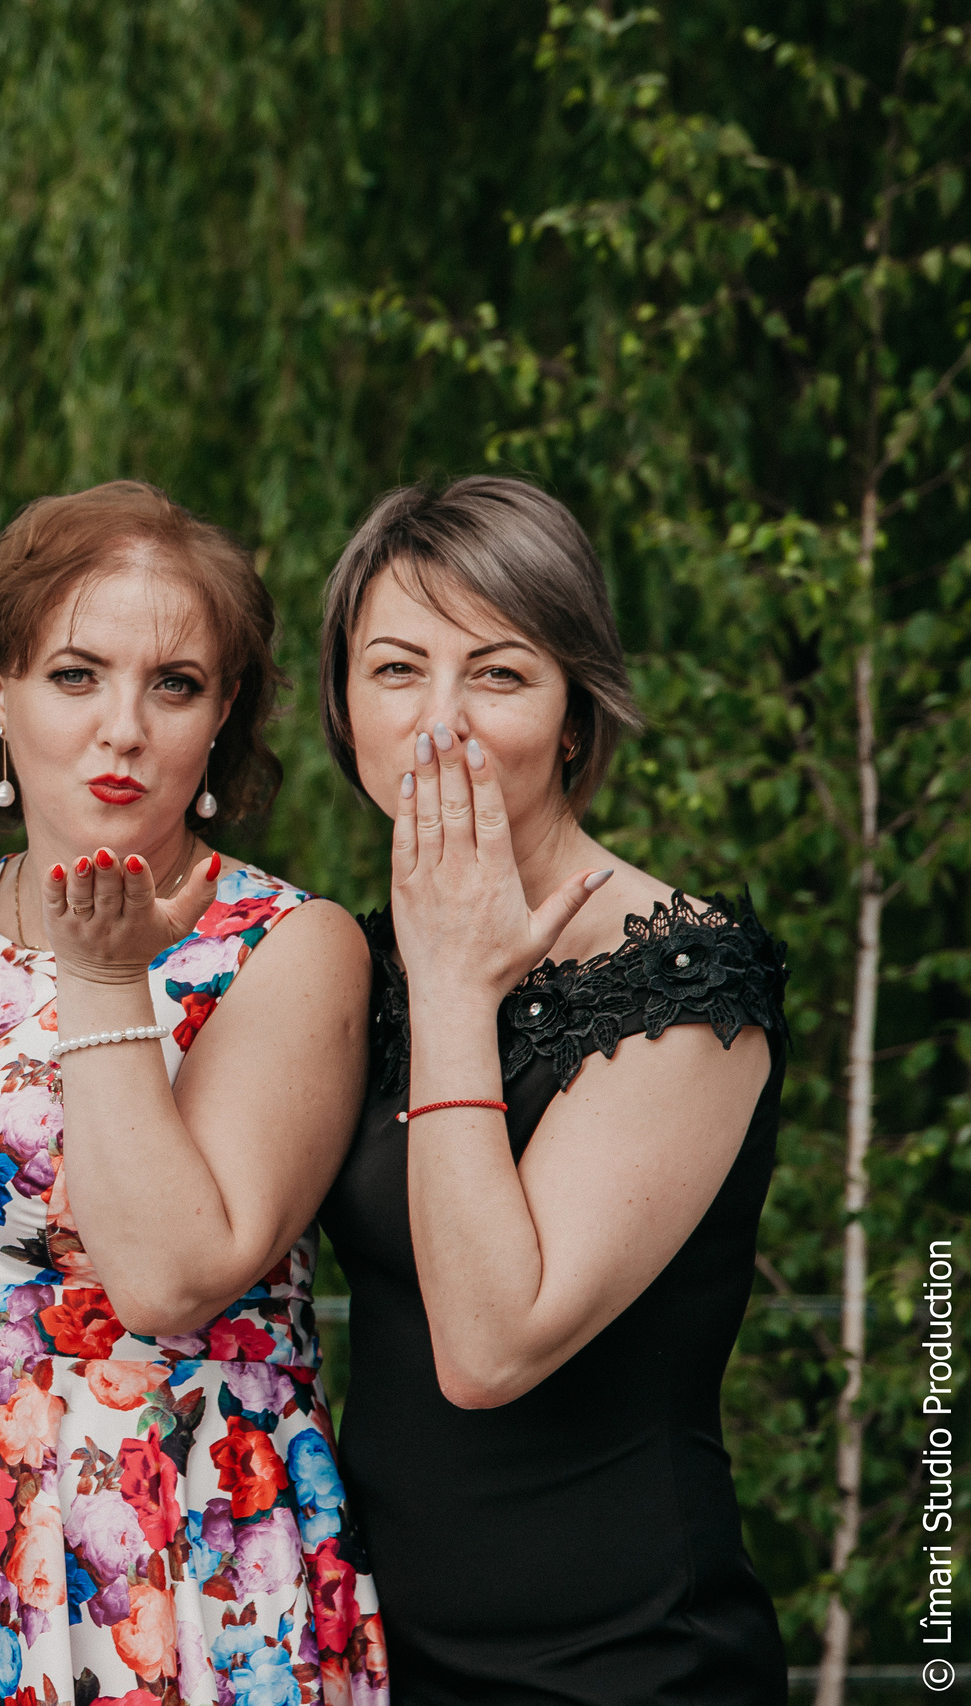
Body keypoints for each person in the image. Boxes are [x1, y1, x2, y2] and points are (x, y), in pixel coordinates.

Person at [0, 481, 391, 1706]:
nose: (123, 725)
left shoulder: (288, 944)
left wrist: (105, 977)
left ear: (221, 714)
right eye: (76, 674)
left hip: (174, 1560)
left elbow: (169, 1273)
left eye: (173, 683)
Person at [312, 476, 787, 1702]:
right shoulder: (357, 965)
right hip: (370, 1653)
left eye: (500, 673)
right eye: (396, 668)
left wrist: (461, 992)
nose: (439, 721)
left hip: (622, 1663)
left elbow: (489, 1343)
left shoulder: (685, 977)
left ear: (576, 712)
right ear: (342, 704)